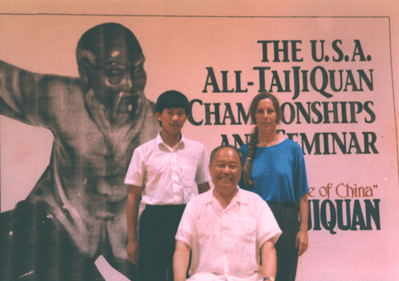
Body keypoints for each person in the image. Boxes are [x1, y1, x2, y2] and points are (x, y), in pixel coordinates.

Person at [0, 22, 159, 281]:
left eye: (138, 69)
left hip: (126, 238)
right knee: (10, 238)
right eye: (116, 73)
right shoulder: (61, 100)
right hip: (59, 223)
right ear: (87, 74)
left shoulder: (157, 125)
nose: (131, 85)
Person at [125, 90, 211, 281]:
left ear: (186, 117)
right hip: (154, 220)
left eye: (180, 113)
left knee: (186, 274)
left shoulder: (197, 150)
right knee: (151, 275)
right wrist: (132, 239)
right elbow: (132, 196)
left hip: (187, 218)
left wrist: (208, 227)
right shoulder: (143, 152)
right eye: (169, 112)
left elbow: (205, 190)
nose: (175, 118)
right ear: (158, 115)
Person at [174, 145, 282, 281]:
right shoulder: (195, 205)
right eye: (221, 165)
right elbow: (182, 247)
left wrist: (269, 279)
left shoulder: (256, 203)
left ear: (241, 170)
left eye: (232, 166)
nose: (226, 171)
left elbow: (268, 246)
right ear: (209, 169)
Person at [239, 92, 309, 281]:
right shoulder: (243, 152)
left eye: (270, 111)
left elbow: (302, 194)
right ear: (254, 116)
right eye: (260, 111)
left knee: (284, 275)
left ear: (278, 115)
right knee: (255, 275)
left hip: (286, 219)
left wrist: (303, 230)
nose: (265, 115)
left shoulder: (292, 149)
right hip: (253, 220)